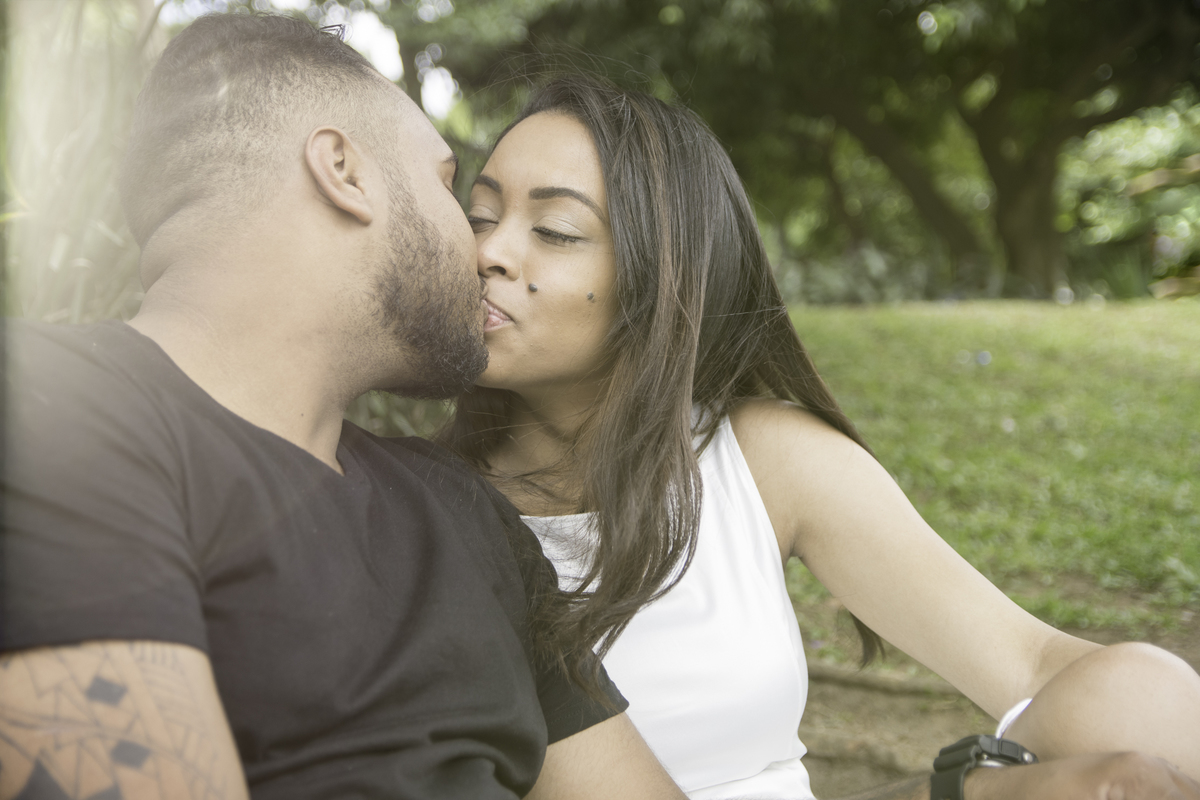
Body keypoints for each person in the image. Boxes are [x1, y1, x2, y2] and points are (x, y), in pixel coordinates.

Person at [440, 73, 1200, 800]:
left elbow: (1028, 661)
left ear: (664, 274)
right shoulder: (418, 508)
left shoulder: (763, 459)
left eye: (555, 229)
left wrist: (1146, 703)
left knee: (1144, 688)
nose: (488, 252)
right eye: (479, 215)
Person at [0, 18, 688, 800]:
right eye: (446, 184)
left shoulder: (462, 511)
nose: (482, 252)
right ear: (343, 171)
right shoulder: (43, 411)